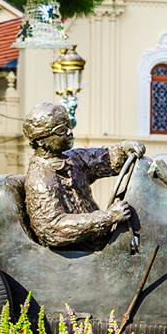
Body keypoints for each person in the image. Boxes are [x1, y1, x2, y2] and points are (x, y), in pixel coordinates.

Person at [21, 102, 145, 248]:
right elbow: (53, 229)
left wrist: (125, 149)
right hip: (77, 256)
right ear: (41, 141)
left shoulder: (74, 159)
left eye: (68, 125)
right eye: (61, 130)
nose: (69, 132)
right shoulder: (40, 179)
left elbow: (104, 158)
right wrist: (108, 218)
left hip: (99, 243)